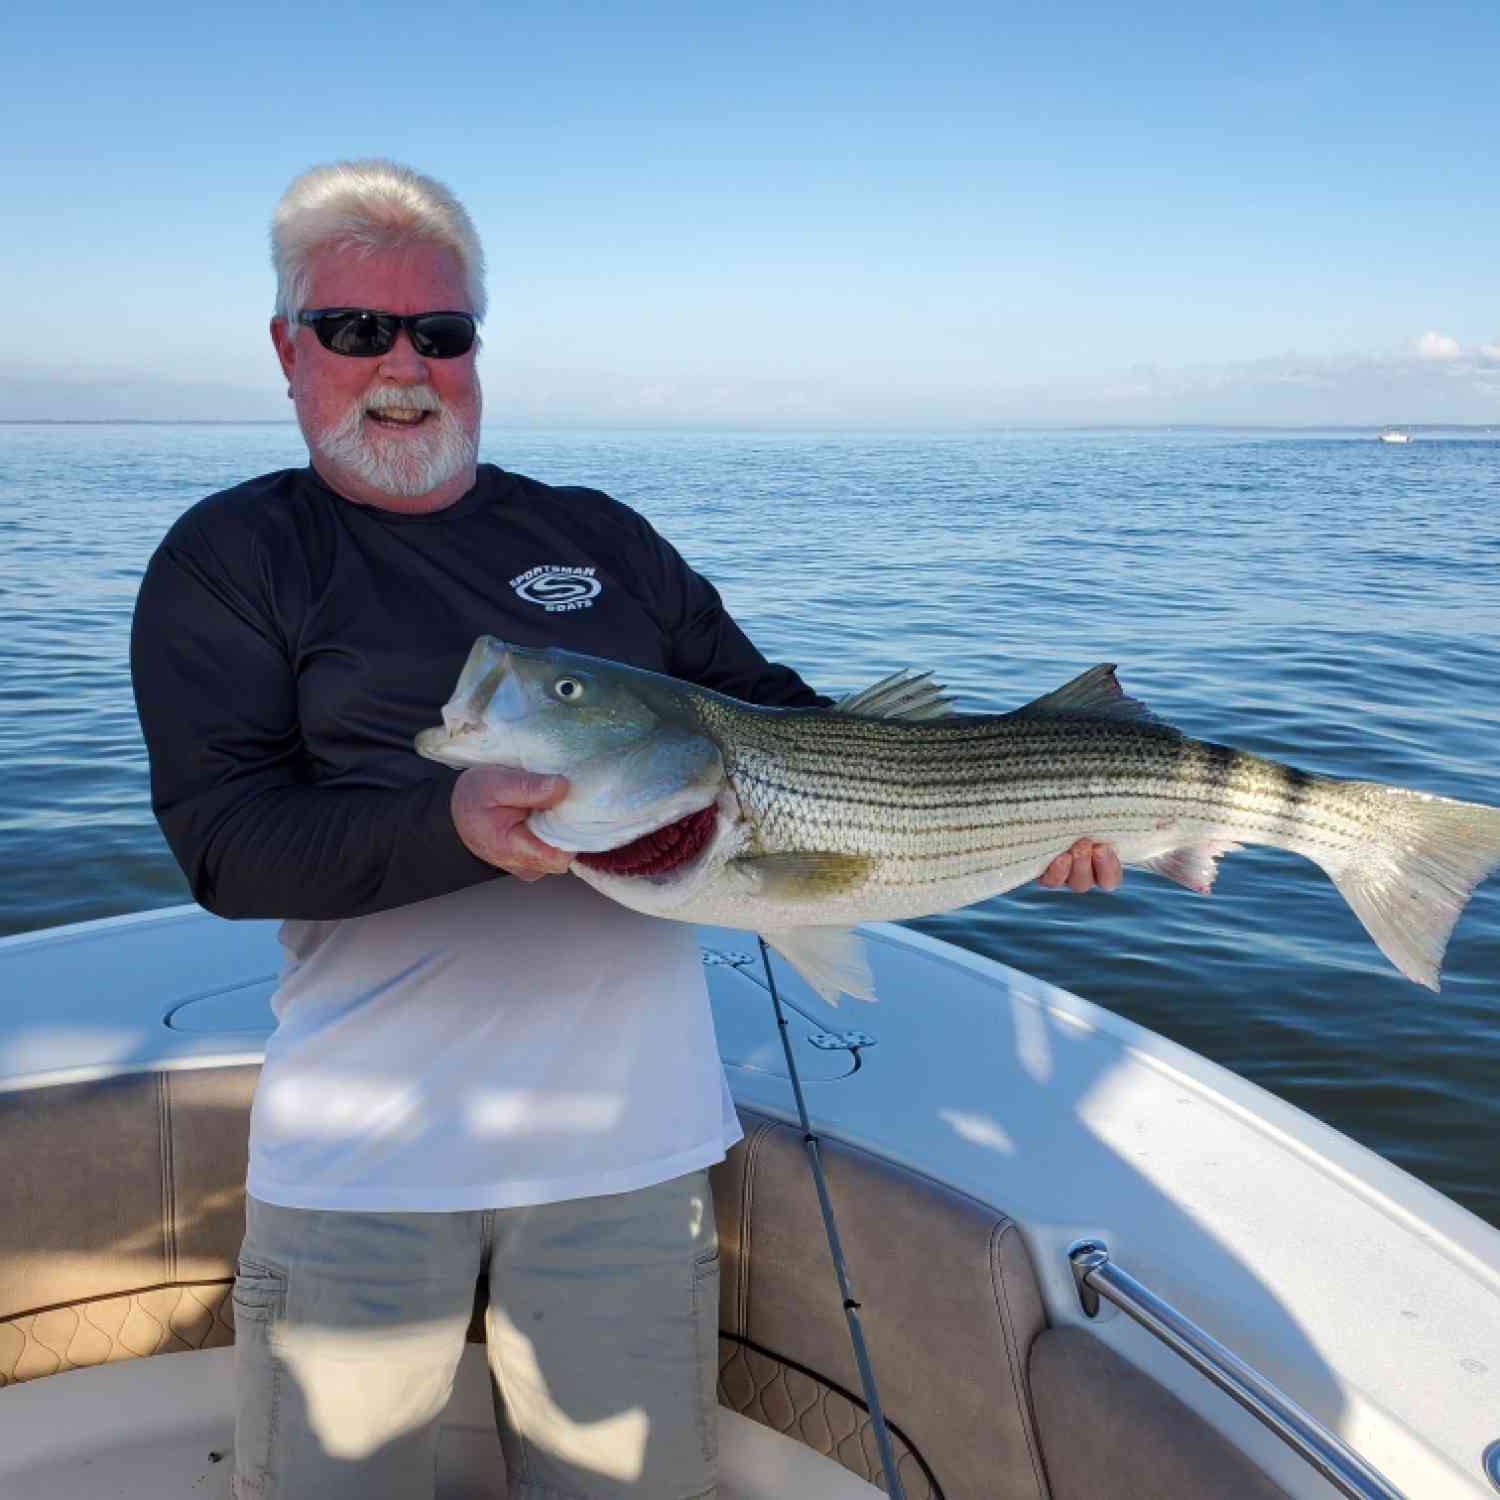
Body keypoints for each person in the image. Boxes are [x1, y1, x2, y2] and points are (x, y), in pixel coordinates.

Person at [130, 158, 1122, 1500]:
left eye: (441, 329)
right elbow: (226, 846)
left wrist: (1028, 803)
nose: (402, 364)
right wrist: (455, 827)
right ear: (287, 349)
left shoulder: (601, 536)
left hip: (632, 1161)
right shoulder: (231, 558)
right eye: (355, 329)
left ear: (477, 343)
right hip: (360, 1166)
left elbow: (784, 722)